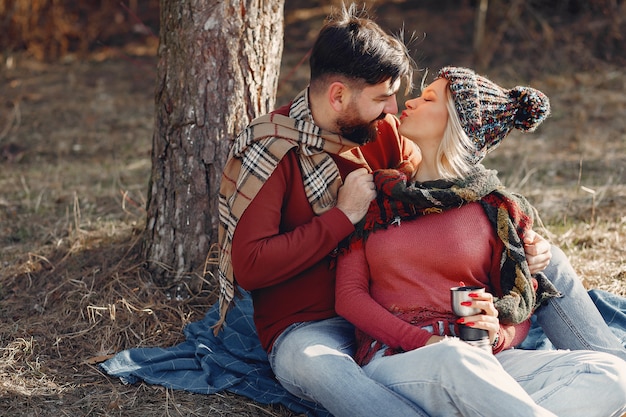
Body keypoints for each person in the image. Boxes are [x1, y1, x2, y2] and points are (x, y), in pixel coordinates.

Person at [215, 4, 626, 417]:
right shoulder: (271, 150)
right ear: (338, 96)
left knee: (548, 264)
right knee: (318, 366)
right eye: (381, 98)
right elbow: (249, 267)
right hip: (315, 323)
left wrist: (520, 244)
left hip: (422, 318)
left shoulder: (381, 130)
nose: (394, 109)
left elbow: (439, 183)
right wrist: (342, 218)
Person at [334, 66, 626, 416]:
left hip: (484, 362)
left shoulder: (497, 210)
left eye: (429, 98)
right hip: (400, 359)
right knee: (452, 358)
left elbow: (520, 304)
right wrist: (427, 341)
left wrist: (498, 336)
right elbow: (348, 298)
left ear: (456, 124)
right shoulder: (377, 197)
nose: (410, 102)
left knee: (612, 372)